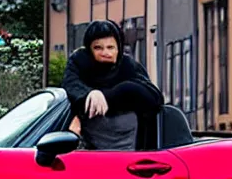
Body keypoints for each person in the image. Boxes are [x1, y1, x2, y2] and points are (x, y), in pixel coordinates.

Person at [62, 20, 164, 150]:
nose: (105, 53)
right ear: (89, 49)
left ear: (118, 48)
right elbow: (70, 85)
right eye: (98, 48)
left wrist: (107, 96)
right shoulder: (79, 62)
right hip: (89, 148)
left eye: (110, 47)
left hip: (130, 150)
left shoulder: (128, 65)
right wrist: (89, 94)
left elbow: (154, 97)